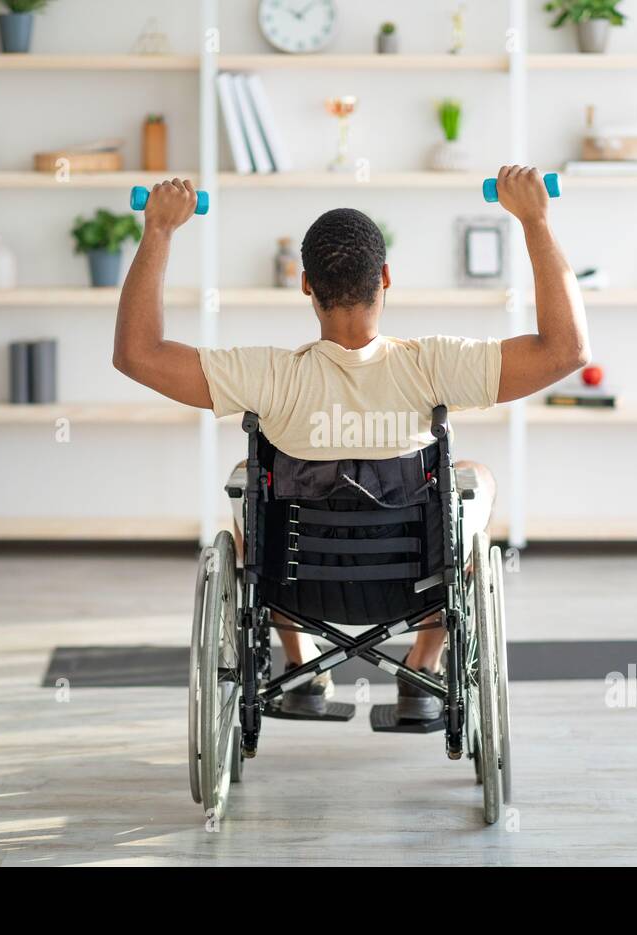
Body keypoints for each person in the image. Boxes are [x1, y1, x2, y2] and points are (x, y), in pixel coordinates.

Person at [114, 165, 589, 718]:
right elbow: (567, 349)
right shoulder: (433, 366)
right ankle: (426, 665)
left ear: (306, 284)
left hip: (299, 586)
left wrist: (159, 231)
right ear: (385, 277)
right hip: (412, 584)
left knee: (252, 499)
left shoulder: (268, 377)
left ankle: (299, 663)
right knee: (475, 480)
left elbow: (136, 355)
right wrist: (535, 219)